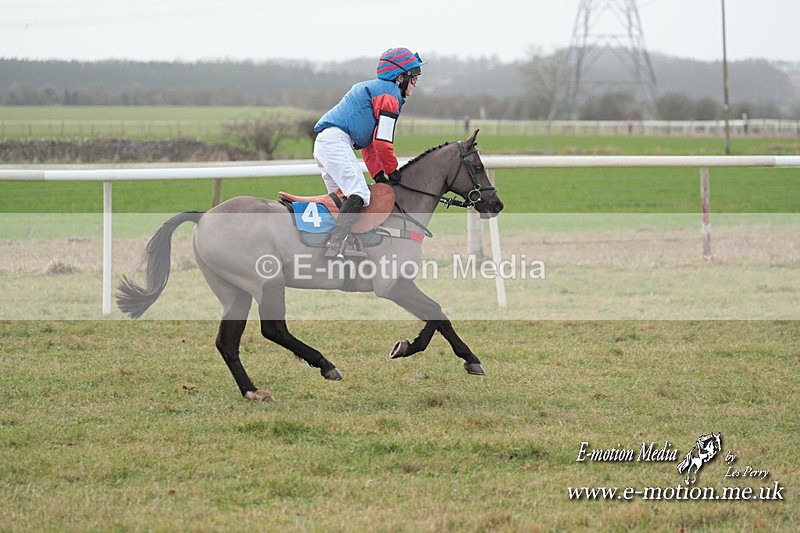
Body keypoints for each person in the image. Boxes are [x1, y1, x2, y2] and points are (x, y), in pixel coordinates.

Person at [313, 47, 425, 259]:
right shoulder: (389, 96)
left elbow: (369, 144)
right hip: (335, 142)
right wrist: (392, 172)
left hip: (329, 142)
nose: (415, 83)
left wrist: (378, 175)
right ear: (400, 77)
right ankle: (335, 247)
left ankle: (338, 245)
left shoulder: (380, 91)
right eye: (414, 77)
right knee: (359, 194)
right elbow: (383, 142)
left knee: (343, 200)